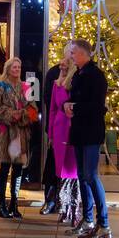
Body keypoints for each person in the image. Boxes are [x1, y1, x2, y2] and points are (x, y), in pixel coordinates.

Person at [65, 39, 111, 238]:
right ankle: (88, 220)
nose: (71, 56)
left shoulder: (96, 76)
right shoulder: (78, 74)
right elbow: (73, 98)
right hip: (79, 131)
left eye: (74, 52)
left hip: (91, 132)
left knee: (91, 176)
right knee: (82, 176)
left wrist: (74, 107)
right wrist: (68, 104)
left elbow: (97, 106)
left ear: (84, 54)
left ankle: (104, 224)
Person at [0, 56, 33, 220]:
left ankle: (14, 203)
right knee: (5, 168)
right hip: (4, 133)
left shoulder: (26, 87)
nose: (17, 70)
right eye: (14, 67)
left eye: (19, 67)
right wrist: (9, 114)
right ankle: (1, 205)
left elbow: (32, 109)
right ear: (8, 69)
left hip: (20, 134)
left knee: (19, 168)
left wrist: (23, 115)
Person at [40, 41, 75, 214]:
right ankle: (50, 199)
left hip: (73, 129)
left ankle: (68, 203)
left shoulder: (78, 73)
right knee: (52, 163)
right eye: (71, 52)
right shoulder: (54, 73)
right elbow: (50, 102)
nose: (73, 55)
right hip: (58, 126)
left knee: (72, 167)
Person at [48, 48, 81, 227]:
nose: (61, 66)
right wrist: (51, 132)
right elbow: (53, 109)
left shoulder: (74, 83)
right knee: (61, 171)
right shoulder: (56, 84)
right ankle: (63, 208)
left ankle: (74, 210)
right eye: (61, 63)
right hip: (60, 128)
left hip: (73, 128)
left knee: (73, 171)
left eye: (65, 64)